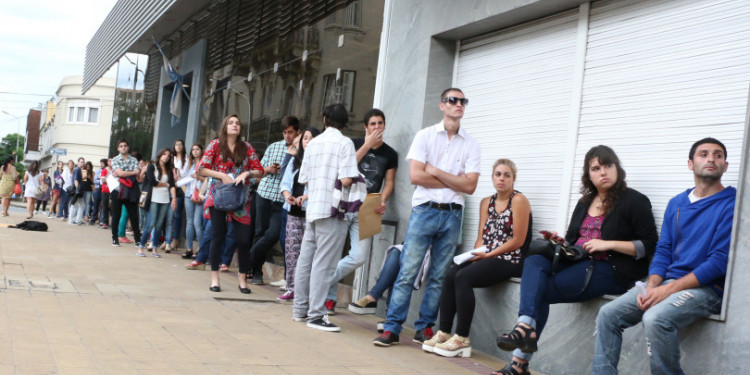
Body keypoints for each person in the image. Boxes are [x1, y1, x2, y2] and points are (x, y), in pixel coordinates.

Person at [493, 145, 658, 375]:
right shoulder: (584, 202)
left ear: (617, 168)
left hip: (609, 267)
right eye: (596, 168)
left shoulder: (635, 201)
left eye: (608, 165)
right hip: (578, 262)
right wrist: (560, 243)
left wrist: (607, 243)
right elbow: (573, 240)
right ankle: (523, 325)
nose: (603, 172)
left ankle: (519, 361)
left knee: (542, 291)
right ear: (588, 175)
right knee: (534, 258)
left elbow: (649, 245)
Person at [591, 138, 735, 375]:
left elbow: (719, 261)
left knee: (656, 318)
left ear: (725, 166)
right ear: (690, 163)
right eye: (704, 154)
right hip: (667, 282)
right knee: (608, 314)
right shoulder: (676, 203)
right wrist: (653, 285)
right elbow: (664, 250)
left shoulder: (733, 203)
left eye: (718, 155)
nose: (711, 159)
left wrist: (667, 290)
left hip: (707, 288)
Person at [373, 88, 480, 346]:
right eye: (453, 100)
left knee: (439, 276)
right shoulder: (425, 136)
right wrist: (453, 179)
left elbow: (470, 186)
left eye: (462, 101)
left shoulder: (472, 143)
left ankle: (425, 329)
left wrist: (436, 171)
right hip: (424, 211)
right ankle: (392, 327)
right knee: (408, 271)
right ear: (442, 105)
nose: (459, 105)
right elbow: (415, 177)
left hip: (453, 216)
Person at [421, 159, 532, 358]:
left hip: (511, 259)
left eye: (507, 175)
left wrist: (488, 254)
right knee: (451, 273)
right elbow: (481, 236)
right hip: (487, 255)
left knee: (464, 278)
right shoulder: (486, 202)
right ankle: (444, 332)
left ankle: (462, 339)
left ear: (513, 179)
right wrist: (474, 255)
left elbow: (518, 240)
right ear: (492, 177)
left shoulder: (519, 200)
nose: (502, 179)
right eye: (498, 174)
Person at [292, 104, 360, 332]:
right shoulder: (345, 143)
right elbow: (347, 179)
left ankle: (300, 310)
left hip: (313, 208)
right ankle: (316, 314)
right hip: (333, 209)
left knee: (306, 260)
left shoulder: (313, 143)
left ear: (324, 119)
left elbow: (304, 178)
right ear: (344, 123)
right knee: (324, 264)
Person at [325, 108, 399, 313]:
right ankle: (328, 298)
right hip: (344, 202)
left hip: (368, 207)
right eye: (373, 124)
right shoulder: (353, 144)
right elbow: (346, 168)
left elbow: (389, 182)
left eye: (380, 123)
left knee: (359, 256)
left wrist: (383, 200)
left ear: (384, 126)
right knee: (333, 253)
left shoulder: (390, 154)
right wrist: (367, 145)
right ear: (366, 127)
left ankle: (319, 283)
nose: (377, 127)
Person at [198, 114, 267, 293]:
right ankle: (215, 279)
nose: (234, 125)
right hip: (218, 196)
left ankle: (242, 279)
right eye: (231, 122)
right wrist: (221, 175)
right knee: (218, 236)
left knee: (244, 241)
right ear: (225, 126)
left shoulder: (247, 147)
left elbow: (259, 170)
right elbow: (202, 168)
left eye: (237, 123)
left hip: (240, 199)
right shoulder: (215, 145)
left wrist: (247, 174)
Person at [249, 115, 299, 285]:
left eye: (290, 132)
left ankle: (248, 258)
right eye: (285, 132)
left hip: (281, 199)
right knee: (259, 231)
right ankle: (256, 272)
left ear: (297, 131)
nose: (287, 136)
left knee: (273, 234)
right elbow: (258, 172)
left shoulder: (302, 151)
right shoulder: (273, 147)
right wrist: (268, 169)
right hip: (263, 194)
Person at [277, 127, 319, 302]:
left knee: (309, 253)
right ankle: (291, 287)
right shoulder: (295, 161)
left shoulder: (320, 163)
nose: (306, 141)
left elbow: (320, 188)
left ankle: (307, 291)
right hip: (293, 212)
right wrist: (288, 196)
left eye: (310, 138)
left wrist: (305, 197)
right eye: (305, 138)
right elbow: (285, 183)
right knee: (292, 251)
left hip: (312, 213)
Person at [137, 148, 177, 258]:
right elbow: (152, 182)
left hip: (165, 200)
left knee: (159, 225)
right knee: (150, 224)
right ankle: (141, 247)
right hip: (153, 199)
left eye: (168, 155)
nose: (166, 157)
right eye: (164, 154)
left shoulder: (169, 169)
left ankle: (155, 248)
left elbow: (172, 184)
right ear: (160, 155)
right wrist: (166, 185)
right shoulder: (152, 166)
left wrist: (174, 198)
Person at [110, 139, 144, 247]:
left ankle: (137, 240)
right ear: (118, 148)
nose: (123, 147)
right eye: (121, 146)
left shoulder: (134, 160)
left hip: (131, 191)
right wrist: (132, 172)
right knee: (116, 215)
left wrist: (124, 173)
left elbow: (137, 173)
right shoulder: (115, 159)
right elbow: (119, 172)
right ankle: (115, 238)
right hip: (118, 191)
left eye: (125, 145)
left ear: (128, 147)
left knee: (134, 216)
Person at [181, 143, 205, 259]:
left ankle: (201, 249)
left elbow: (208, 179)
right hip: (188, 195)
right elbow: (184, 178)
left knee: (197, 223)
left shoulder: (205, 164)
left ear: (201, 151)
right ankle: (189, 248)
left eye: (197, 149)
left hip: (200, 195)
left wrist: (198, 177)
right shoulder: (190, 163)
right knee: (189, 222)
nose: (195, 151)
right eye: (193, 149)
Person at [68, 157, 87, 225]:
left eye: (83, 162)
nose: (83, 163)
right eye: (81, 162)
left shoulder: (80, 170)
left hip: (80, 190)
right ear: (78, 162)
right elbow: (75, 180)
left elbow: (79, 179)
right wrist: (77, 190)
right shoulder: (77, 170)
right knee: (75, 205)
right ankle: (71, 220)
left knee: (81, 205)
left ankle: (78, 220)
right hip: (77, 190)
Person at [97, 158, 112, 229]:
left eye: (112, 161)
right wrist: (112, 181)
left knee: (113, 207)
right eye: (110, 161)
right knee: (105, 206)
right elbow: (103, 180)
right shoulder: (105, 170)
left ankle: (112, 223)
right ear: (107, 162)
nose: (111, 162)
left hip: (113, 191)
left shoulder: (115, 170)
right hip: (105, 190)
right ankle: (105, 222)